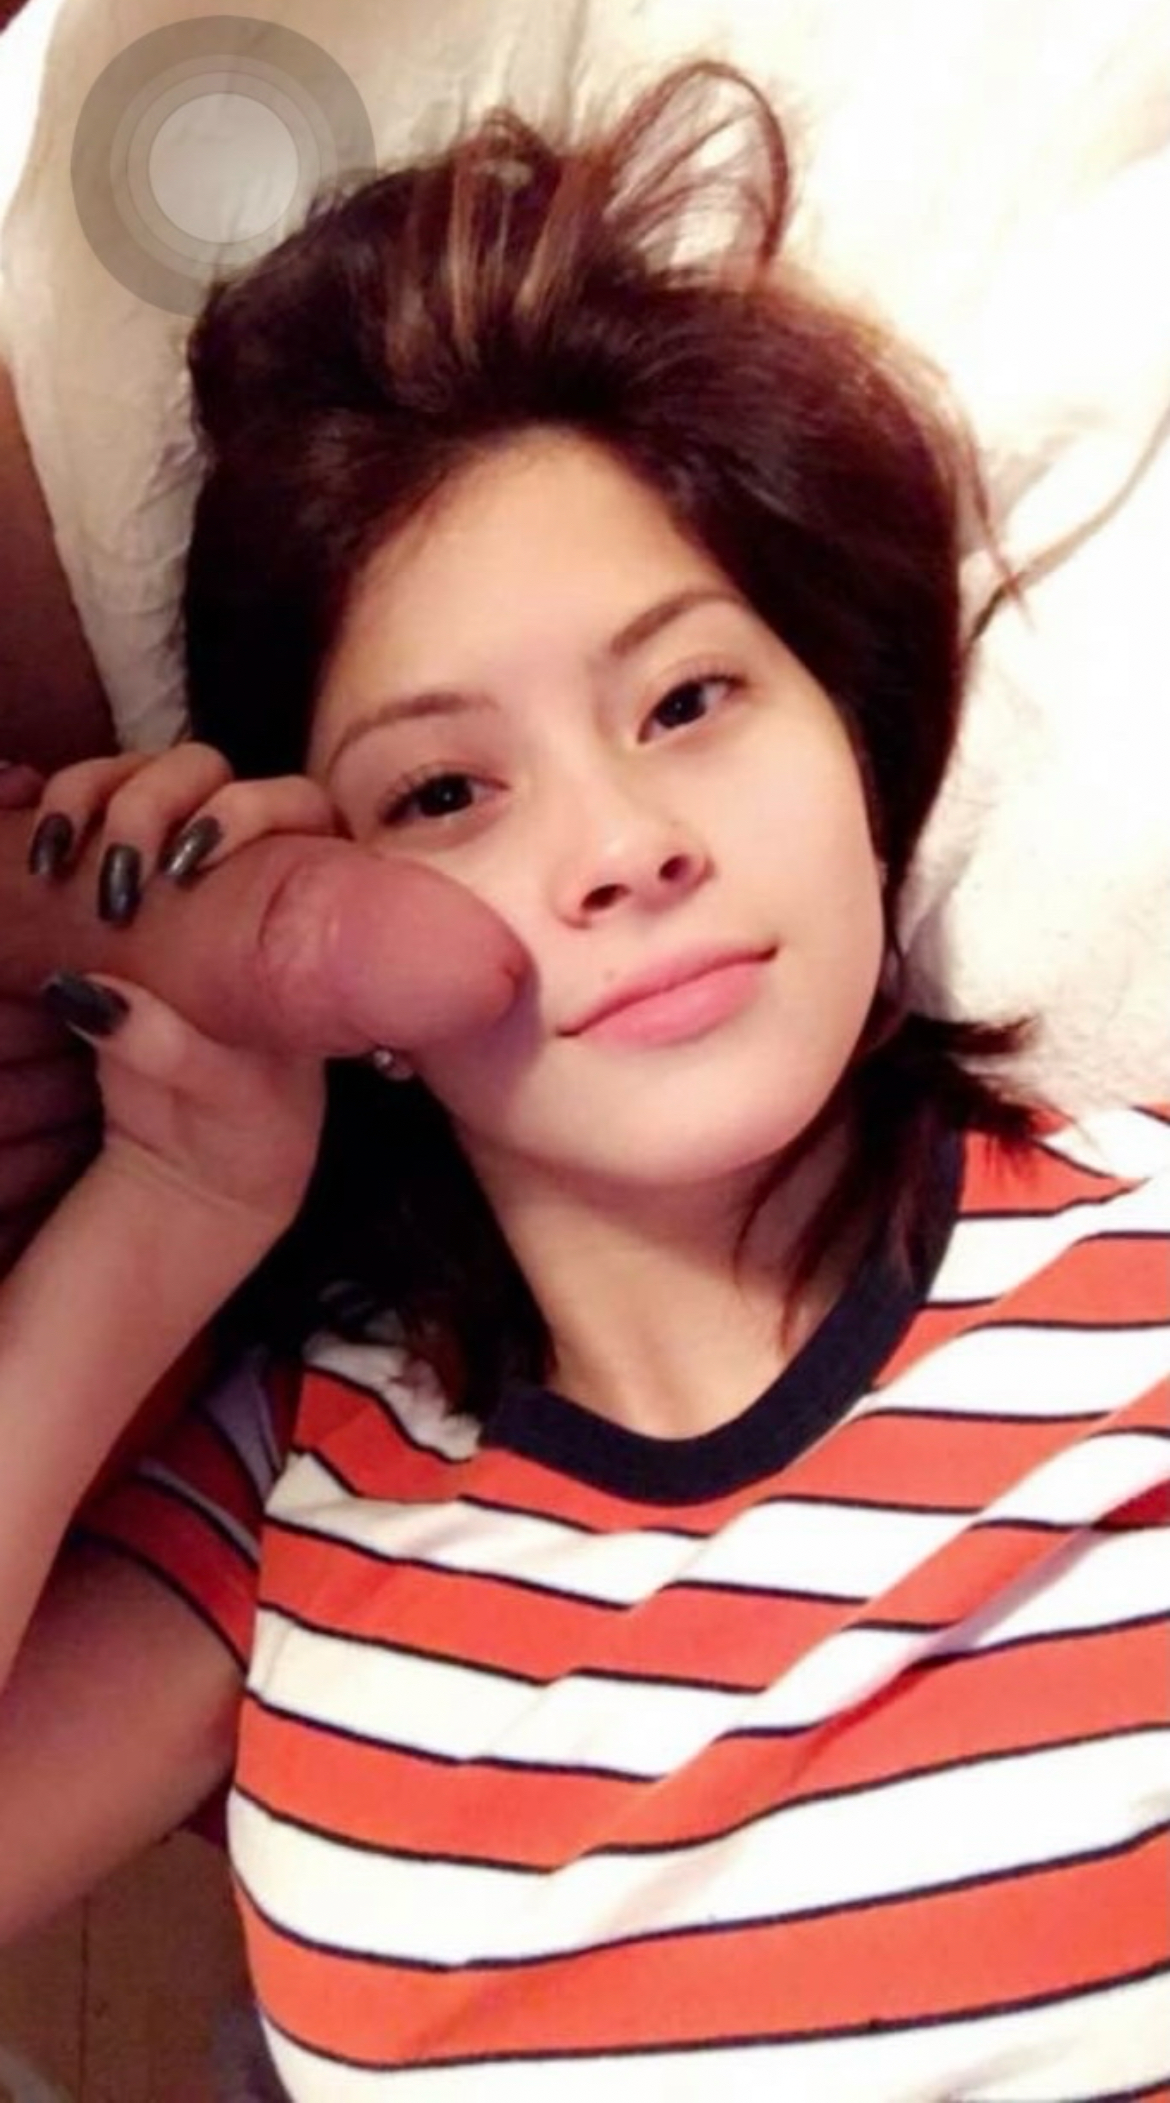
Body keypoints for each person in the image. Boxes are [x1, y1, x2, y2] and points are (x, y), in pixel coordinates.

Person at [1, 63, 1167, 2100]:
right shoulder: (287, 1484)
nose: (623, 844)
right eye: (445, 791)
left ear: (853, 739)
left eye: (690, 695)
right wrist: (167, 1209)